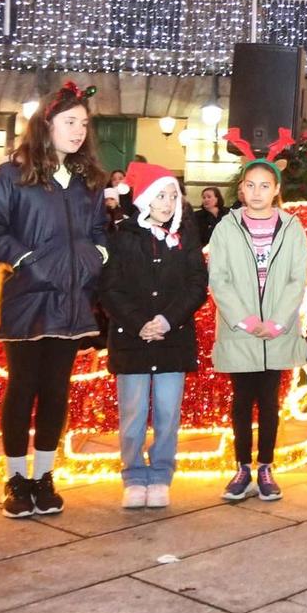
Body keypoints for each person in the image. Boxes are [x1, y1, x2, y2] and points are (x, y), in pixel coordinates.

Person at [0, 82, 107, 520]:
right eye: (70, 122)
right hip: (28, 298)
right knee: (22, 389)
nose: (78, 131)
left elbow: (99, 233)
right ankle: (16, 478)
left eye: (84, 124)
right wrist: (28, 260)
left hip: (72, 302)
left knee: (56, 392)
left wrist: (97, 257)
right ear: (46, 124)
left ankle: (44, 475)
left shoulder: (89, 180)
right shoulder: (14, 174)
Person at [99, 162, 206, 510]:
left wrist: (167, 319)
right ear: (145, 198)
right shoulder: (122, 235)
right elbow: (110, 289)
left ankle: (161, 473)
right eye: (160, 195)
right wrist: (138, 323)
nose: (167, 202)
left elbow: (195, 285)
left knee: (166, 413)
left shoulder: (185, 236)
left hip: (172, 339)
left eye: (173, 195)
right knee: (131, 417)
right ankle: (133, 475)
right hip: (133, 340)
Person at [209, 145, 307, 504]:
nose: (257, 192)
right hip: (241, 332)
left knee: (269, 403)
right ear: (241, 190)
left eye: (264, 186)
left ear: (276, 189)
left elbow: (297, 278)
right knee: (241, 402)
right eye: (250, 185)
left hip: (276, 334)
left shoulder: (293, 228)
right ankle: (242, 467)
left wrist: (278, 321)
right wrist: (248, 320)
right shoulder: (226, 227)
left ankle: (266, 466)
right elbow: (219, 279)